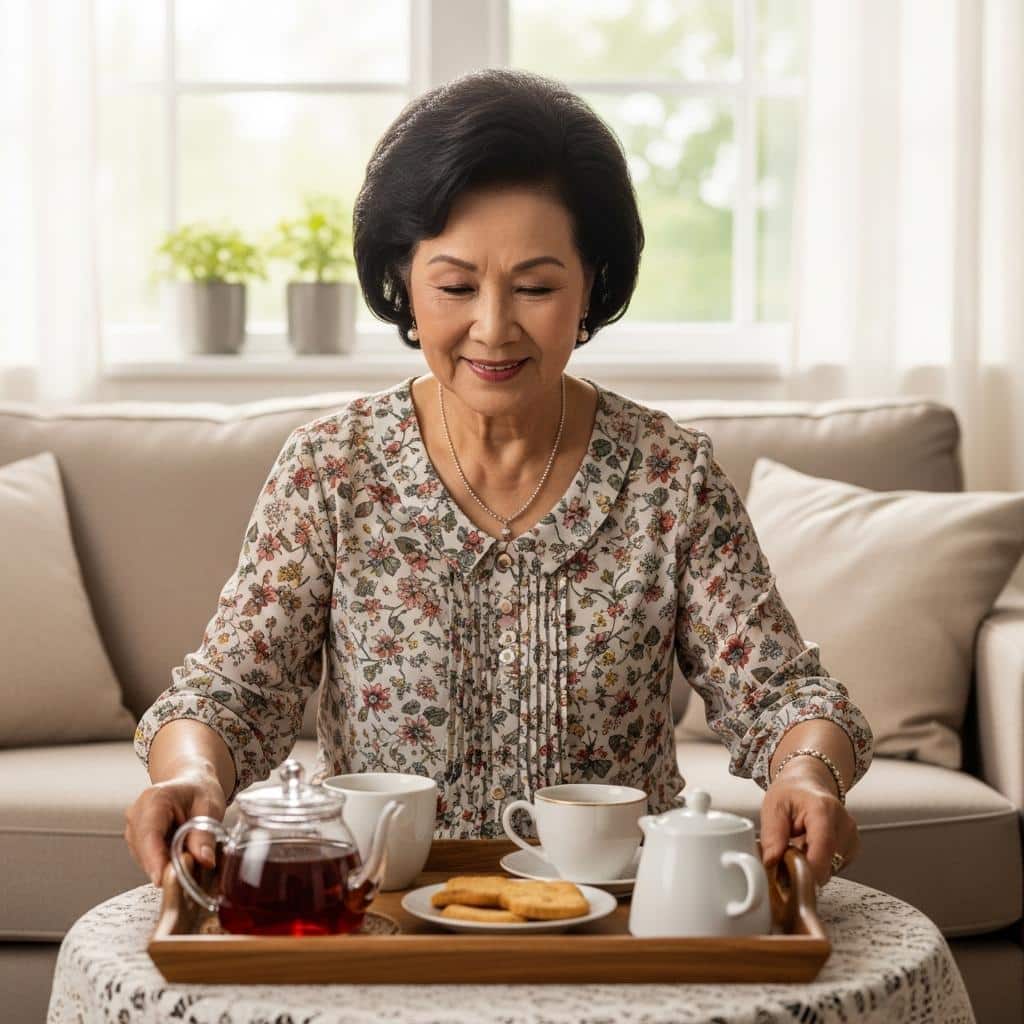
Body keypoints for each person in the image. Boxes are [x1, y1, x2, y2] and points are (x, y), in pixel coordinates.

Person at [124, 68, 872, 894]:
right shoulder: (331, 469)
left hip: (614, 921)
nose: (492, 327)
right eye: (454, 286)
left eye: (536, 287)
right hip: (386, 917)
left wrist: (807, 774)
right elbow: (233, 691)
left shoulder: (672, 478)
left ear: (592, 284)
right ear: (403, 282)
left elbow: (782, 694)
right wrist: (188, 776)